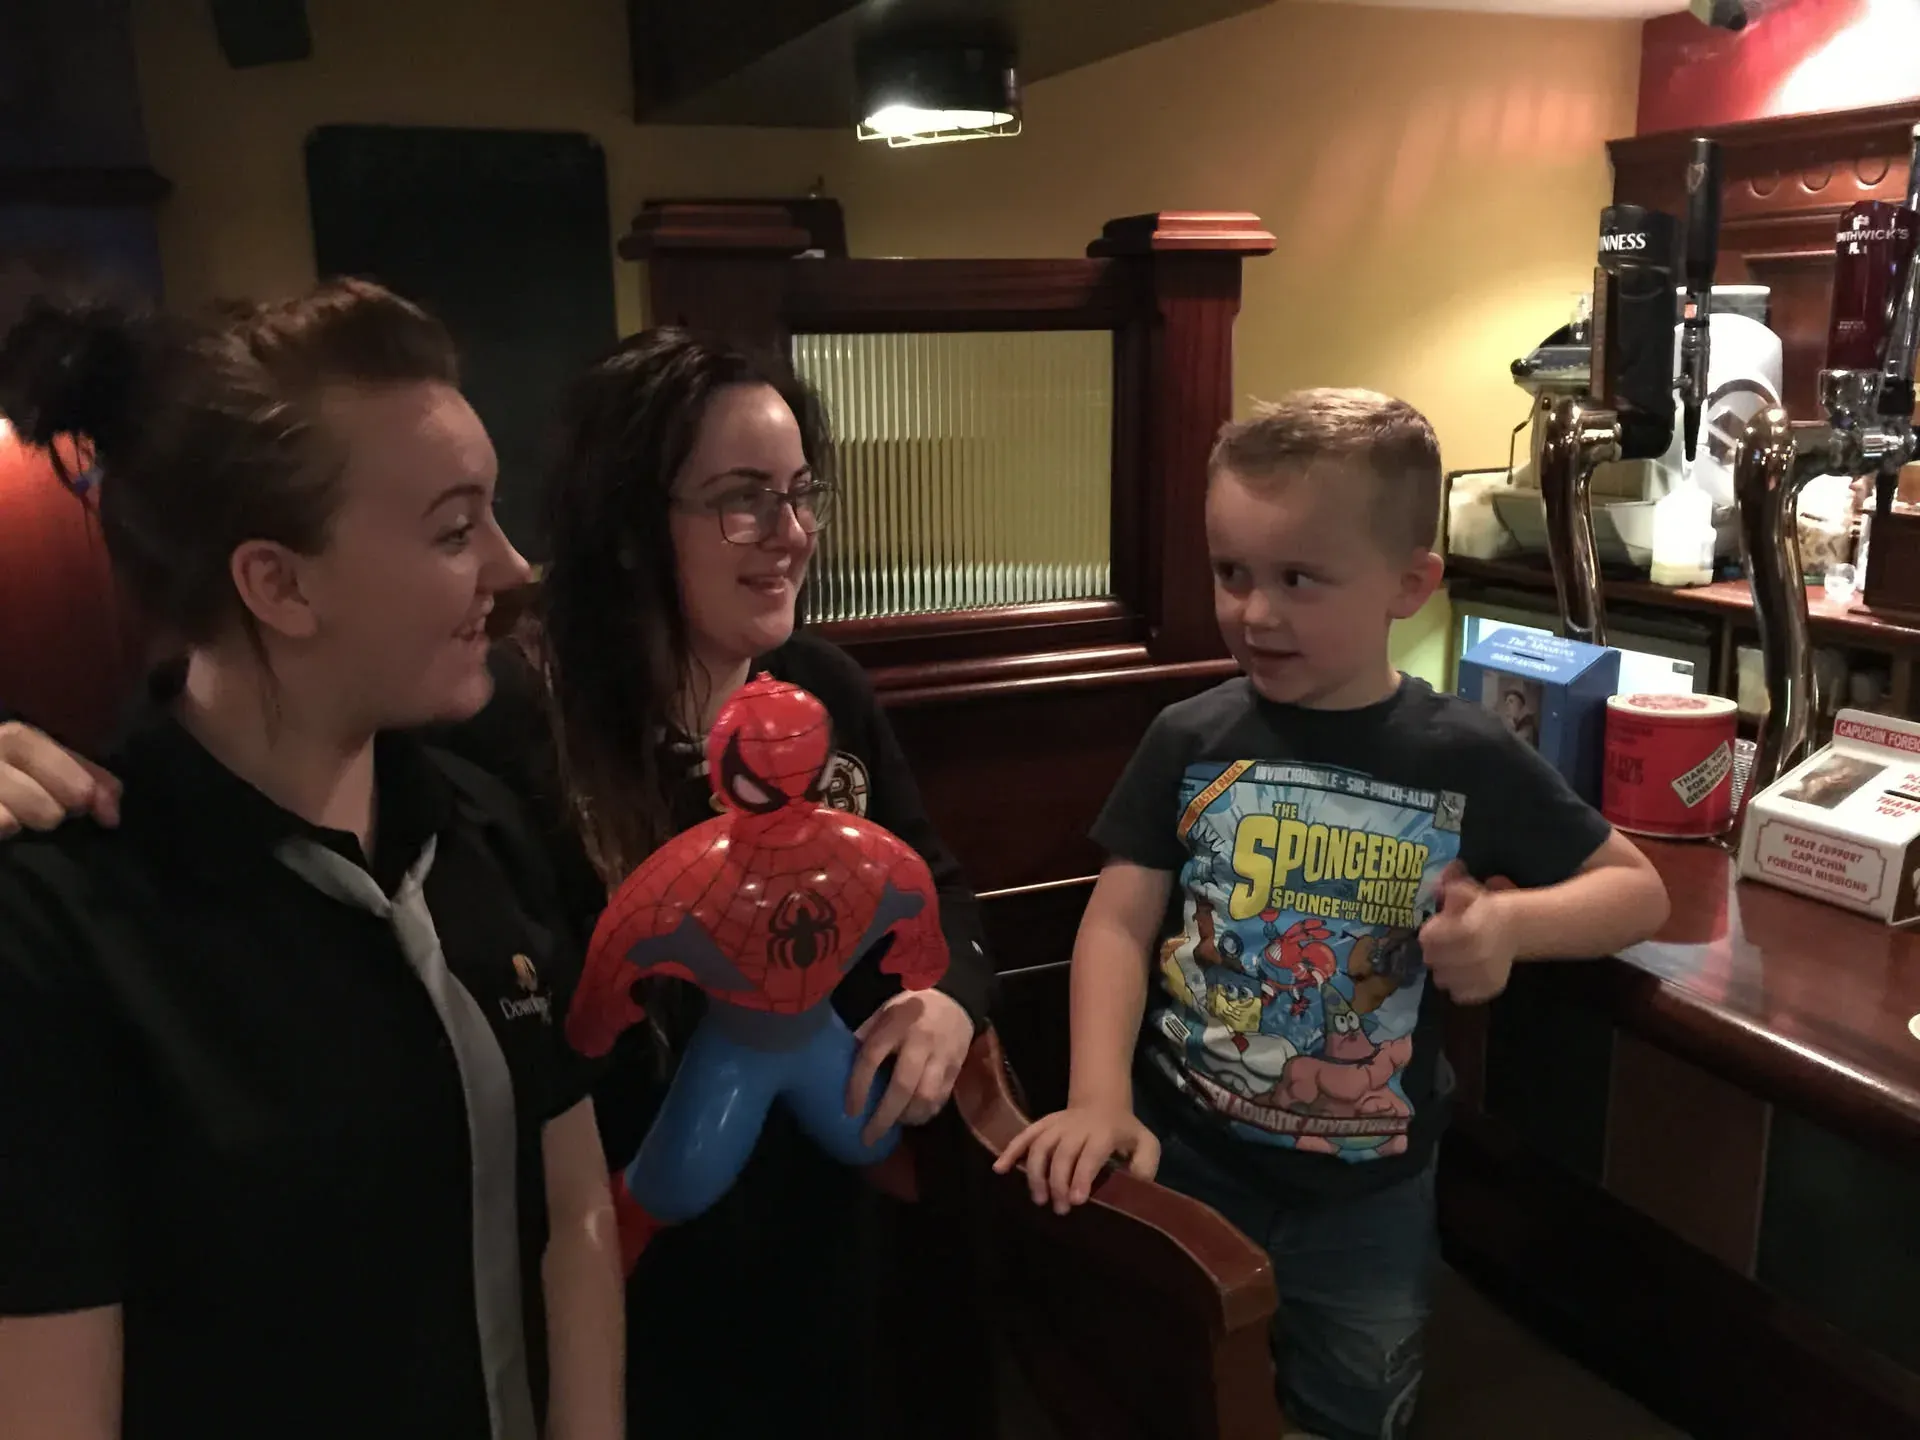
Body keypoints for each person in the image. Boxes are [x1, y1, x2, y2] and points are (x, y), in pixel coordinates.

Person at [0, 324, 994, 1437]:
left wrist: (945, 997)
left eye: (802, 491)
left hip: (801, 1249)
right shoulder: (503, 734)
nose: (790, 532)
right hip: (661, 1289)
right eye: (740, 497)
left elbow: (930, 887)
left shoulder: (471, 821)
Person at [0, 283, 623, 1440]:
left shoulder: (479, 829)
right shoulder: (64, 929)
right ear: (277, 583)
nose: (511, 565)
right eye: (453, 528)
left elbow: (575, 1207)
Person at [995, 390, 1670, 1440]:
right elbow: (1118, 924)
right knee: (1178, 1397)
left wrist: (1509, 931)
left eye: (1299, 579)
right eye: (1234, 574)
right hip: (1187, 1160)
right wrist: (1094, 1098)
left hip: (1371, 1200)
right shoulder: (1190, 737)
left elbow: (1637, 890)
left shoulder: (1465, 754)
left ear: (1410, 585)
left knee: (1353, 1410)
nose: (1256, 613)